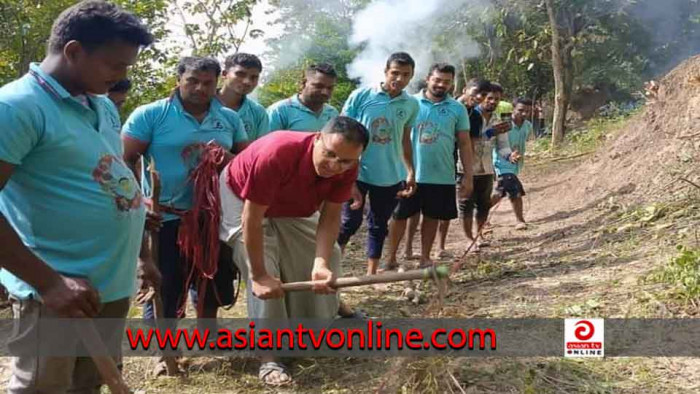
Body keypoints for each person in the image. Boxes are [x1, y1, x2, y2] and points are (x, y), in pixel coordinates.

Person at [0, 1, 156, 392]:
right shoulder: (16, 108)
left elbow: (105, 177)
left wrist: (141, 255)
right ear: (73, 51)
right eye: (115, 65)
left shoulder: (101, 104)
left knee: (88, 384)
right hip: (53, 293)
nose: (122, 76)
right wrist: (50, 283)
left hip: (108, 287)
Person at [219, 116, 369, 386]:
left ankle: (316, 323)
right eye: (329, 154)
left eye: (345, 161)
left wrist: (320, 263)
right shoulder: (277, 152)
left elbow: (331, 217)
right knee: (265, 266)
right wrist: (260, 274)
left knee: (330, 256)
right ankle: (269, 356)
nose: (335, 165)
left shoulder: (349, 166)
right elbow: (252, 219)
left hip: (293, 202)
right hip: (241, 196)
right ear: (316, 139)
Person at [121, 57, 248, 370]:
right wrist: (140, 204)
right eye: (192, 81)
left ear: (217, 83)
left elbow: (248, 165)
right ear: (178, 79)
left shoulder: (229, 119)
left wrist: (227, 158)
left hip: (214, 218)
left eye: (207, 83)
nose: (199, 88)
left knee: (214, 276)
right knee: (163, 282)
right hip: (164, 217)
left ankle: (208, 335)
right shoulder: (151, 114)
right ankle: (165, 352)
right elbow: (123, 161)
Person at [384, 63, 473, 270]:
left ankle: (425, 257)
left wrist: (468, 175)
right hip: (408, 174)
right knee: (399, 216)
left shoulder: (457, 108)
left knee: (432, 217)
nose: (441, 84)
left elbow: (465, 143)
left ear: (452, 83)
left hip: (441, 174)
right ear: (427, 78)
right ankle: (390, 258)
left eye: (447, 81)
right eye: (437, 79)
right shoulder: (409, 102)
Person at [337, 52, 419, 275]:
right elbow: (343, 131)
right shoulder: (361, 95)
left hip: (390, 175)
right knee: (349, 222)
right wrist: (345, 168)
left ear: (411, 77)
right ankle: (332, 267)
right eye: (395, 73)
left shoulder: (411, 104)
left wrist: (410, 171)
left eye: (405, 75)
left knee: (379, 224)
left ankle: (371, 273)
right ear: (385, 71)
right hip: (357, 172)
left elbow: (405, 140)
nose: (399, 79)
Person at [459, 81, 514, 252]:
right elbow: (467, 141)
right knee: (466, 204)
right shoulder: (469, 116)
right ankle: (468, 238)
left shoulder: (498, 120)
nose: (493, 102)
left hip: (486, 168)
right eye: (490, 98)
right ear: (483, 97)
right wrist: (490, 133)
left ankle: (478, 235)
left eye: (497, 99)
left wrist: (510, 155)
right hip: (466, 167)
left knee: (483, 205)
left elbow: (503, 145)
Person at [491, 98, 533, 230]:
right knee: (514, 191)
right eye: (521, 110)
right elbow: (493, 140)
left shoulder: (528, 125)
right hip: (501, 163)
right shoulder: (504, 122)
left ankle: (480, 211)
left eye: (527, 111)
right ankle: (520, 220)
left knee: (499, 193)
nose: (524, 114)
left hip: (515, 164)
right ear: (513, 109)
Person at [267, 63, 339, 132]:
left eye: (330, 88)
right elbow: (266, 143)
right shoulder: (280, 111)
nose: (325, 92)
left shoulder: (333, 113)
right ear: (304, 83)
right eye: (319, 86)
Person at [218, 52, 269, 141]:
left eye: (253, 77)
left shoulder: (258, 113)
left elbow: (261, 150)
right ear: (224, 74)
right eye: (240, 74)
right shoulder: (202, 105)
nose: (247, 82)